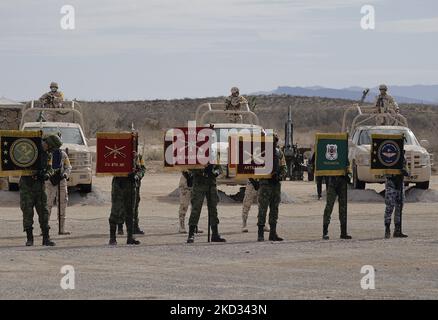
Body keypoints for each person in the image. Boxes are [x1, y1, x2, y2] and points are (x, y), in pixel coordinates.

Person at [21, 136, 56, 246]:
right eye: (50, 147)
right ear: (46, 143)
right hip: (27, 186)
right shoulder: (31, 150)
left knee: (44, 213)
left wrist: (46, 175)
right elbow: (21, 162)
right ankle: (29, 239)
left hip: (40, 188)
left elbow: (50, 168)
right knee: (28, 212)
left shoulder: (48, 155)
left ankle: (46, 238)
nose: (50, 149)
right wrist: (33, 172)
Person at [108, 151, 144, 246]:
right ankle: (112, 238)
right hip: (118, 184)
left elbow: (141, 169)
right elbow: (108, 166)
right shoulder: (116, 154)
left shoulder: (136, 156)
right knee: (116, 210)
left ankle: (130, 237)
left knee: (130, 212)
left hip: (131, 185)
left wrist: (136, 176)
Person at [257, 133, 287, 242]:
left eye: (275, 140)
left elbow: (284, 167)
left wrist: (280, 175)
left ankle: (273, 233)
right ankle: (260, 234)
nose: (273, 142)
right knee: (262, 209)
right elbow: (254, 167)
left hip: (275, 184)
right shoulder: (261, 152)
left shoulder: (279, 153)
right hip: (265, 184)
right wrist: (255, 180)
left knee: (274, 209)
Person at [187, 164, 226, 243]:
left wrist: (215, 172)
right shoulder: (197, 152)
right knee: (196, 208)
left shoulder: (214, 152)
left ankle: (215, 234)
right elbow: (189, 168)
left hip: (211, 183)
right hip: (199, 182)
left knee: (213, 209)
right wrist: (201, 172)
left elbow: (220, 168)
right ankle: (191, 234)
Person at [44, 134, 72, 235]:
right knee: (47, 204)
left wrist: (65, 174)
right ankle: (45, 229)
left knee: (62, 204)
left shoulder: (63, 154)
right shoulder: (46, 155)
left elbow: (68, 166)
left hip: (61, 181)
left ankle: (61, 229)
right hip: (49, 182)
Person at [322, 167, 352, 240]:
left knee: (343, 208)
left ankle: (343, 232)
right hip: (332, 181)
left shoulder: (344, 157)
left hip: (342, 182)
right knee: (329, 207)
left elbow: (349, 169)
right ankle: (325, 231)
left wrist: (348, 176)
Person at [384, 153, 409, 238]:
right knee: (389, 207)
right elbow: (383, 169)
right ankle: (387, 229)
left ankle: (397, 230)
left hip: (400, 184)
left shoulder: (402, 156)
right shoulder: (388, 155)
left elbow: (407, 170)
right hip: (391, 182)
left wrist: (404, 171)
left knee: (399, 206)